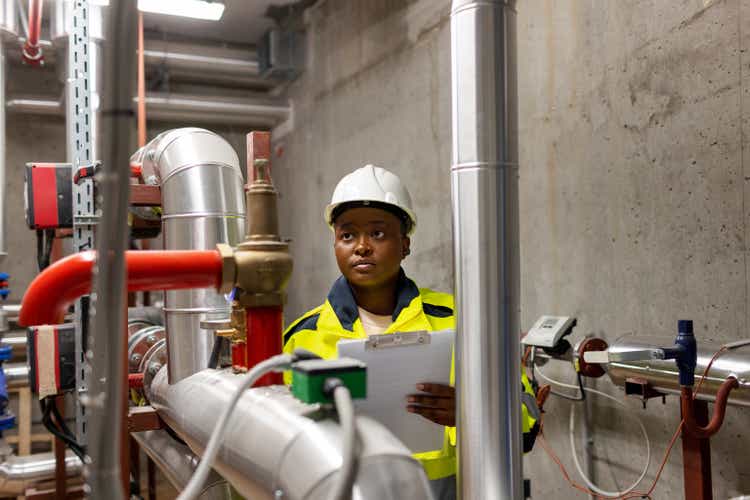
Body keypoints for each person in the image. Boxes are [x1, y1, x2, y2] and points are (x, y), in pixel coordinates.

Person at [282, 164, 538, 500]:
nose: (361, 246)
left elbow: (527, 423)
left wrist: (473, 413)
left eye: (378, 234)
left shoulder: (462, 320)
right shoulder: (303, 338)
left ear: (405, 245)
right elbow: (284, 441)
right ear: (335, 245)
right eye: (347, 235)